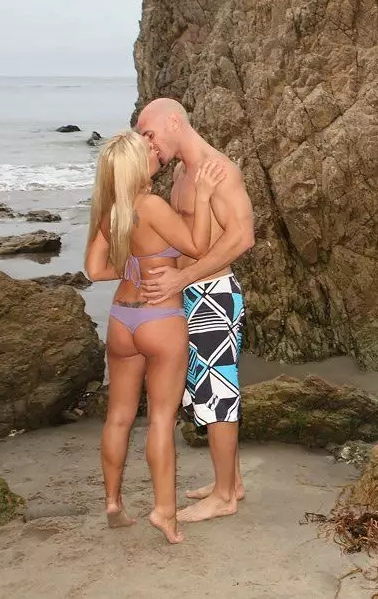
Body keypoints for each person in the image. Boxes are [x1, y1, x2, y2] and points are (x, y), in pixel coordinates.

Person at [84, 130, 225, 544]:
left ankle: (113, 502)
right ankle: (164, 511)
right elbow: (198, 247)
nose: (154, 150)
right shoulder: (152, 206)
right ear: (135, 164)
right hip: (159, 316)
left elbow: (94, 269)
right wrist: (203, 197)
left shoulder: (110, 211)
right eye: (147, 150)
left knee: (118, 416)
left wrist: (132, 268)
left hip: (121, 318)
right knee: (161, 418)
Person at [135, 98, 255, 523]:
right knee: (202, 391)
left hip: (214, 294)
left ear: (174, 122)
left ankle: (223, 497)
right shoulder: (182, 174)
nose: (149, 144)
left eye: (149, 134)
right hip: (188, 293)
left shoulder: (219, 170)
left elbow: (242, 237)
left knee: (218, 394)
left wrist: (181, 278)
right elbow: (184, 237)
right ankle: (232, 482)